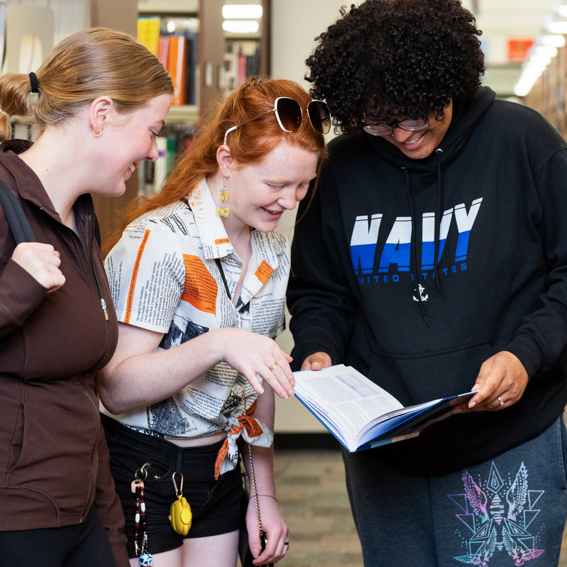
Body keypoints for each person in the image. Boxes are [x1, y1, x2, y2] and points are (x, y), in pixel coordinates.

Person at [287, 1, 567, 566]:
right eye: (379, 121)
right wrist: (319, 350)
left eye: (415, 114)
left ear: (448, 81)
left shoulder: (522, 144)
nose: (401, 134)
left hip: (507, 443)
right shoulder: (343, 170)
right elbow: (320, 291)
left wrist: (525, 354)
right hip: (387, 451)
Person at [97, 78, 329, 567]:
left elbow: (261, 375)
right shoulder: (159, 240)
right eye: (276, 184)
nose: (291, 202)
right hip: (143, 467)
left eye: (303, 186)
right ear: (227, 161)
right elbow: (116, 387)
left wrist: (263, 495)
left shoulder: (273, 248)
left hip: (221, 470)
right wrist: (220, 343)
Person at [0, 27, 173, 567]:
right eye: (151, 130)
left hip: (80, 510)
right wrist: (14, 290)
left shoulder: (81, 217)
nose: (152, 150)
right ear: (101, 114)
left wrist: (110, 532)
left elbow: (82, 390)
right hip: (16, 518)